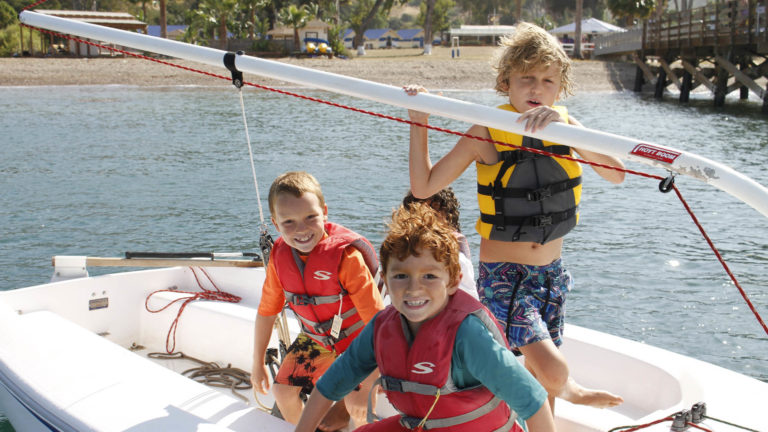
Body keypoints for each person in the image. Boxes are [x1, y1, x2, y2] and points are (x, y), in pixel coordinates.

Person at [403, 22, 625, 413]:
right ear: (506, 82)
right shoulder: (486, 132)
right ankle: (574, 389)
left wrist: (571, 133)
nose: (537, 90)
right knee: (554, 371)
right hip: (504, 275)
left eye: (547, 81)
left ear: (560, 89)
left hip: (550, 274)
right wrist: (418, 117)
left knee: (543, 383)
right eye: (527, 79)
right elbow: (424, 187)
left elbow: (616, 173)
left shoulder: (566, 129)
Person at [295, 203, 556, 432]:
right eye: (400, 276)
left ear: (453, 281)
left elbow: (534, 402)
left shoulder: (467, 336)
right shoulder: (381, 328)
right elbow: (328, 388)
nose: (413, 288)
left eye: (429, 276)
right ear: (384, 279)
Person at [251, 171, 384, 430]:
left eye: (310, 217)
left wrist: (368, 382)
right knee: (283, 393)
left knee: (358, 405)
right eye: (288, 222)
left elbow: (381, 325)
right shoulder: (279, 258)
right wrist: (257, 364)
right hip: (317, 342)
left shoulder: (346, 258)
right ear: (275, 225)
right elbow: (267, 312)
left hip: (358, 348)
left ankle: (347, 414)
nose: (301, 229)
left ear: (324, 212)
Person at [402, 187, 478, 299]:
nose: (426, 223)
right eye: (419, 216)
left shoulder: (457, 259)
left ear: (448, 218)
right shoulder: (403, 250)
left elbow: (468, 297)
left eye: (434, 216)